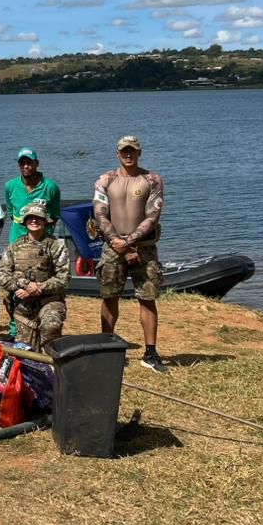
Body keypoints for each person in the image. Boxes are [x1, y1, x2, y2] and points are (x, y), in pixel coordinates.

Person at [94, 135, 167, 373]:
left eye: (132, 151)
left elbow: (152, 216)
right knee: (109, 297)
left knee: (147, 298)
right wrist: (118, 243)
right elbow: (100, 213)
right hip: (113, 247)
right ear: (117, 153)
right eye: (124, 151)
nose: (128, 154)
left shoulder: (152, 180)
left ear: (139, 153)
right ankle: (105, 347)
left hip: (143, 248)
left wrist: (131, 243)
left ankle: (151, 352)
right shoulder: (105, 179)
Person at [0, 202, 69, 350]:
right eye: (30, 218)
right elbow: (1, 274)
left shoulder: (56, 245)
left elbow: (64, 278)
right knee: (27, 353)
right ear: (24, 221)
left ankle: (54, 367)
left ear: (45, 221)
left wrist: (38, 288)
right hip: (24, 307)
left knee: (51, 328)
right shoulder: (14, 247)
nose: (34, 221)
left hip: (49, 302)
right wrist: (23, 284)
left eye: (38, 217)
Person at [4, 148, 61, 242]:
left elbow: (55, 216)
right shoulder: (9, 186)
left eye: (29, 162)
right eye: (22, 163)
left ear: (37, 163)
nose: (26, 166)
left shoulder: (51, 187)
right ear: (19, 165)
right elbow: (11, 214)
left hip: (43, 241)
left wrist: (38, 229)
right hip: (17, 240)